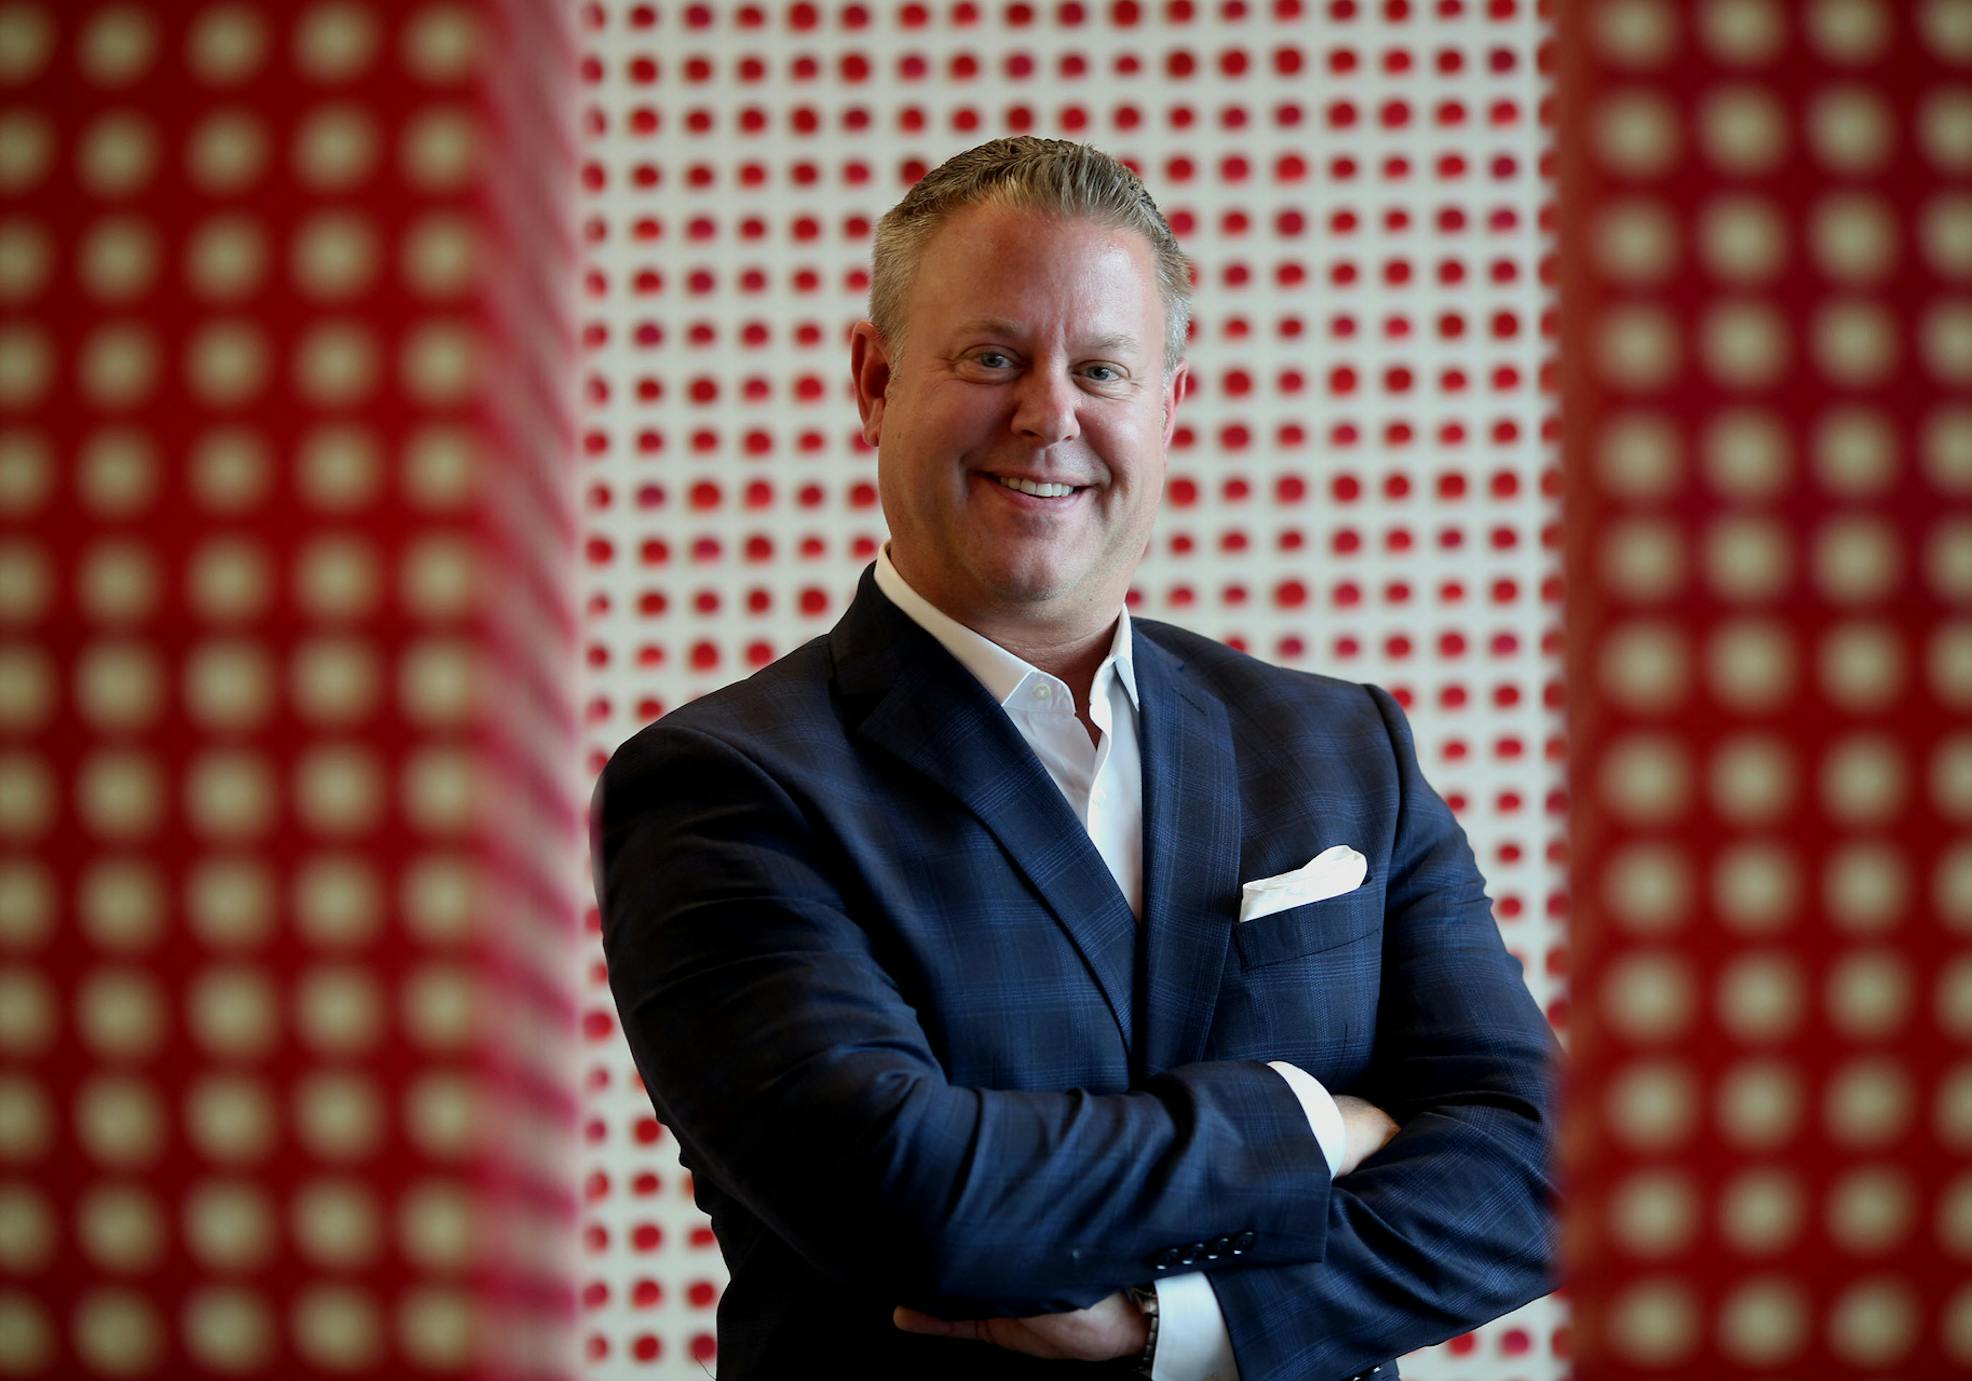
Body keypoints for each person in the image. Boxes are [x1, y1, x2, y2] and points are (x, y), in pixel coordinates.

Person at [589, 136, 1559, 1380]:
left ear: (1167, 407)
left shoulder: (1341, 746)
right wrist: (1314, 1121)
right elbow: (913, 1193)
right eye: (992, 357)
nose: (1050, 415)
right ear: (876, 381)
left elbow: (1537, 1161)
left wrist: (1176, 1327)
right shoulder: (723, 786)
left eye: (1102, 368)